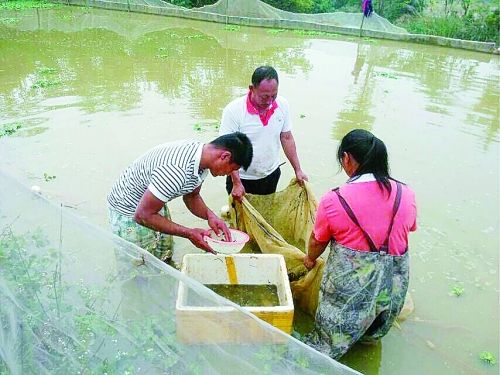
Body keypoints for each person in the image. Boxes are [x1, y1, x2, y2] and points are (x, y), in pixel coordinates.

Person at [301, 129, 417, 359]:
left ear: (346, 158)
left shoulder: (335, 199)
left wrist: (309, 259)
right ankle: (366, 346)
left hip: (349, 290)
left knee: (326, 346)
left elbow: (317, 240)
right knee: (373, 332)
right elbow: (407, 229)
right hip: (392, 287)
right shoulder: (407, 194)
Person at [107, 132, 253, 260]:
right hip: (130, 211)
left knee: (164, 255)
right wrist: (189, 233)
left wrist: (210, 216)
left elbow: (192, 197)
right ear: (225, 156)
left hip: (154, 201)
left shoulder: (203, 159)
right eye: (232, 169)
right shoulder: (176, 171)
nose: (228, 174)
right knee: (140, 269)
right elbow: (142, 215)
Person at [219, 65, 308, 201]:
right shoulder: (233, 111)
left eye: (274, 95)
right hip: (243, 178)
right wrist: (236, 183)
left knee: (265, 215)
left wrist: (298, 170)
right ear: (251, 89)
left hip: (271, 174)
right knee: (240, 220)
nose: (270, 101)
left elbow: (286, 138)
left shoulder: (282, 105)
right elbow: (227, 151)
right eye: (264, 97)